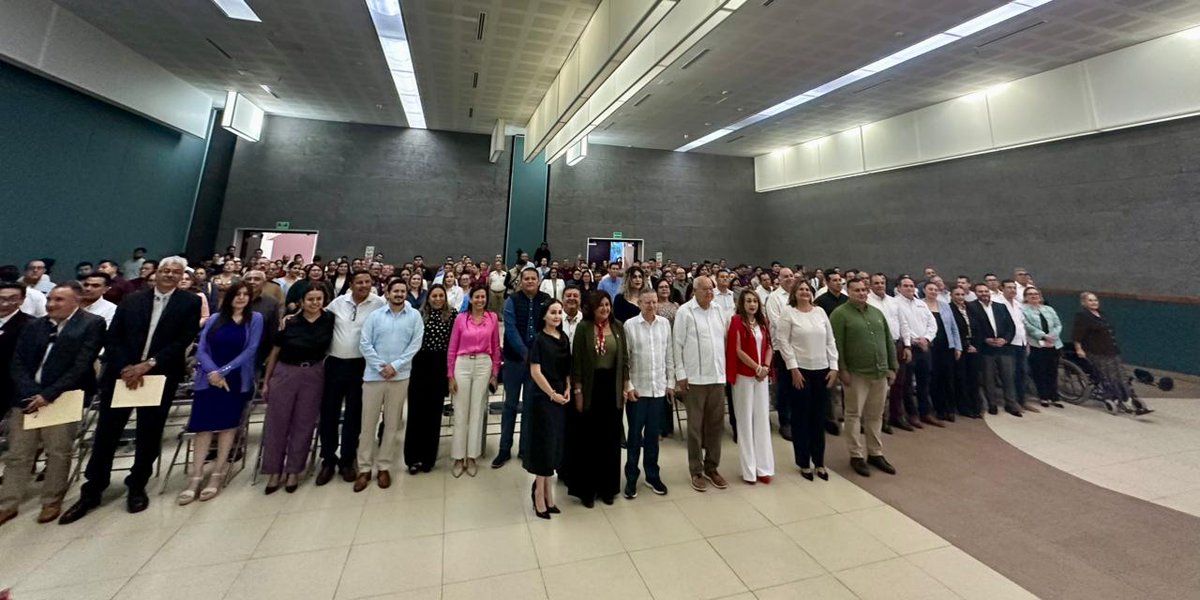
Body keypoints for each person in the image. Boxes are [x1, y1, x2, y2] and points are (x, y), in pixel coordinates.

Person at [61, 256, 202, 524]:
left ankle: (137, 485)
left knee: (149, 433)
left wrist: (148, 365)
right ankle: (92, 490)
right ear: (155, 274)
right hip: (122, 375)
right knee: (107, 433)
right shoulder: (132, 300)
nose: (170, 275)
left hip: (158, 374)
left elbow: (183, 339)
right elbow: (114, 337)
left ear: (183, 276)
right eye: (165, 270)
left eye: (176, 272)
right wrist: (127, 366)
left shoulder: (189, 302)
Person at [0, 283, 105, 526]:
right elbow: (18, 362)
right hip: (26, 398)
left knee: (58, 452)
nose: (51, 304)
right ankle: (8, 503)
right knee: (18, 453)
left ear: (75, 301)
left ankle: (52, 500)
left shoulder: (91, 324)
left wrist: (48, 395)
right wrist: (30, 392)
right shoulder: (35, 325)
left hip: (63, 397)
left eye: (59, 300)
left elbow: (81, 364)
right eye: (50, 299)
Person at [178, 282, 263, 505]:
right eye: (238, 294)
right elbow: (202, 348)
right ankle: (195, 476)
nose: (242, 298)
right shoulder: (215, 319)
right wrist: (213, 372)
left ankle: (217, 473)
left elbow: (251, 349)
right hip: (209, 379)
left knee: (228, 427)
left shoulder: (255, 319)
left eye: (246, 294)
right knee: (203, 428)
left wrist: (224, 371)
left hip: (236, 378)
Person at [259, 286, 334, 494]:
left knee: (304, 422)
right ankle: (274, 470)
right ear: (301, 301)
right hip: (285, 373)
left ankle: (294, 469)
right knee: (277, 422)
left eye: (319, 299)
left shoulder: (329, 320)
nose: (315, 303)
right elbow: (275, 352)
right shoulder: (289, 322)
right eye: (311, 299)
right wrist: (267, 381)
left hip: (313, 373)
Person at [317, 270, 386, 485]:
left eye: (367, 282)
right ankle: (328, 459)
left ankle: (348, 459)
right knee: (329, 412)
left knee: (354, 415)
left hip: (361, 365)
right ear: (352, 284)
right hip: (335, 363)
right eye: (359, 282)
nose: (363, 285)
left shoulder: (378, 304)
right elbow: (318, 317)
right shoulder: (338, 303)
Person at [355, 278, 424, 492]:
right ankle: (364, 468)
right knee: (368, 424)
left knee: (392, 424)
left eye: (403, 291)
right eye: (396, 291)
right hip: (374, 377)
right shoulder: (375, 317)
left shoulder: (414, 316)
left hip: (400, 376)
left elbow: (415, 344)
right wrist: (380, 366)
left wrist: (395, 366)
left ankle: (384, 466)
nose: (399, 294)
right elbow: (365, 343)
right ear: (387, 293)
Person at [565, 293, 629, 507]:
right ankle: (587, 490)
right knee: (589, 439)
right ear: (592, 307)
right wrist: (578, 390)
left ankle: (608, 488)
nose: (605, 308)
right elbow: (578, 361)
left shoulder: (618, 327)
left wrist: (625, 385)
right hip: (591, 386)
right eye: (600, 305)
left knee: (610, 438)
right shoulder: (584, 328)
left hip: (612, 387)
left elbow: (625, 359)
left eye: (607, 305)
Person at [830, 279, 898, 477]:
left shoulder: (876, 313)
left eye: (863, 290)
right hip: (856, 374)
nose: (861, 293)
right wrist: (842, 369)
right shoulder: (840, 314)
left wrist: (892, 366)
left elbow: (888, 340)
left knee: (875, 415)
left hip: (879, 372)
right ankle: (856, 455)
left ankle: (875, 453)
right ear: (848, 292)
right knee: (853, 414)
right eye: (856, 290)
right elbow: (836, 344)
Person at [673, 275, 729, 492]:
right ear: (694, 290)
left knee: (716, 426)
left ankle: (712, 467)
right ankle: (696, 470)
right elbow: (677, 344)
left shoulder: (718, 311)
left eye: (711, 289)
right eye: (705, 289)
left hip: (717, 376)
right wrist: (681, 373)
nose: (709, 292)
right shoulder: (685, 312)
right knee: (695, 428)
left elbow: (723, 341)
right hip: (695, 378)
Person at [777, 280, 838, 481]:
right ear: (794, 293)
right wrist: (793, 368)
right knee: (801, 417)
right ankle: (804, 462)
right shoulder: (788, 313)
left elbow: (830, 340)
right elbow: (783, 342)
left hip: (822, 370)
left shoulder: (820, 312)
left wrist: (834, 366)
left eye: (807, 289)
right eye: (800, 289)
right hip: (800, 371)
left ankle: (819, 461)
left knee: (818, 417)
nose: (804, 292)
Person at [496, 268, 551, 468]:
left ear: (539, 280)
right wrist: (525, 352)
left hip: (536, 363)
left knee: (529, 405)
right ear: (521, 281)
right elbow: (509, 328)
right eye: (526, 278)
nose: (529, 281)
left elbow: (548, 327)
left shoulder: (546, 300)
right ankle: (504, 449)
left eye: (532, 278)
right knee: (510, 404)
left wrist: (536, 352)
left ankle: (525, 449)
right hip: (514, 361)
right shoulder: (512, 300)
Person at [623, 289, 674, 498]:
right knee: (634, 437)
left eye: (654, 302)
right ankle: (631, 478)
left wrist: (670, 382)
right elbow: (626, 360)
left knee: (653, 437)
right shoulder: (630, 326)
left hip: (658, 389)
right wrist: (629, 386)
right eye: (647, 302)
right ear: (640, 304)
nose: (651, 306)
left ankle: (652, 475)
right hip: (638, 391)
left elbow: (669, 355)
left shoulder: (664, 324)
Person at [447, 286, 500, 478]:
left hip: (483, 364)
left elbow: (495, 345)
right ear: (470, 299)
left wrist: (495, 372)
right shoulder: (461, 319)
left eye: (483, 297)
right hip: (462, 363)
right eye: (476, 297)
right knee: (461, 410)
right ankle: (458, 457)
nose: (479, 300)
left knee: (477, 410)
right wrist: (450, 375)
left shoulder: (492, 318)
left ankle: (471, 456)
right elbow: (452, 347)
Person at [525, 299, 570, 518]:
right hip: (543, 398)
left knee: (554, 446)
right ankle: (539, 496)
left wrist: (568, 388)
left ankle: (549, 494)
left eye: (559, 312)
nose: (556, 316)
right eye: (553, 312)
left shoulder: (564, 338)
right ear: (544, 315)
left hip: (561, 396)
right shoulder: (539, 340)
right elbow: (535, 371)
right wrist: (552, 394)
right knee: (543, 447)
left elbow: (568, 369)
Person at [1072, 292, 1153, 416]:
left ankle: (1129, 397)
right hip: (1096, 351)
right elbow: (1077, 335)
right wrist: (1079, 349)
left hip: (1111, 350)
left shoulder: (1102, 314)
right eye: (1090, 300)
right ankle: (1114, 398)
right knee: (1108, 376)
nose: (1094, 302)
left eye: (1095, 300)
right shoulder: (1082, 316)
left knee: (1121, 375)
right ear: (1084, 303)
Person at [404, 284, 455, 474]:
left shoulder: (452, 315)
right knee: (416, 412)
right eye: (434, 295)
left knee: (434, 414)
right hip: (419, 365)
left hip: (440, 365)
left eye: (441, 295)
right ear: (429, 297)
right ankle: (412, 458)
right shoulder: (417, 315)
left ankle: (428, 458)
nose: (438, 299)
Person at [725, 289, 774, 485]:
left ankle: (764, 467)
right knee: (745, 421)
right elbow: (736, 350)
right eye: (748, 301)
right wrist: (756, 367)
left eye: (755, 301)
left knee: (762, 419)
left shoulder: (763, 322)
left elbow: (769, 345)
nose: (752, 304)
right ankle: (749, 469)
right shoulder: (737, 321)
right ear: (742, 304)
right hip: (744, 376)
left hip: (761, 376)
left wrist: (766, 367)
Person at [967, 283, 1021, 417]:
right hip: (986, 348)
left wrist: (1005, 340)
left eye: (986, 291)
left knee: (1008, 377)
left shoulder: (1000, 307)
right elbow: (973, 327)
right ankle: (992, 404)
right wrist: (985, 339)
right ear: (976, 293)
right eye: (980, 291)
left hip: (1004, 348)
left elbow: (1011, 326)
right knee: (988, 378)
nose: (984, 293)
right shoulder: (971, 306)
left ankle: (1011, 404)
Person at [866, 274, 911, 433]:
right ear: (870, 285)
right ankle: (880, 420)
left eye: (882, 282)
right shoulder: (867, 302)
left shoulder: (894, 302)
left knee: (898, 383)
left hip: (896, 345)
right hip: (878, 346)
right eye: (876, 283)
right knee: (880, 386)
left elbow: (903, 323)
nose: (880, 285)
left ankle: (897, 417)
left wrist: (907, 345)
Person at [895, 276, 940, 427]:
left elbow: (932, 324)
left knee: (924, 381)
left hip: (925, 347)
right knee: (907, 383)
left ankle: (925, 412)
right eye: (906, 286)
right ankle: (912, 415)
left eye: (911, 285)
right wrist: (916, 340)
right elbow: (903, 326)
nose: (909, 288)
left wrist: (926, 339)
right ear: (899, 288)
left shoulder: (921, 303)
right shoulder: (895, 304)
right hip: (908, 347)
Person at [764, 267, 796, 440]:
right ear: (779, 278)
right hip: (782, 348)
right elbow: (777, 323)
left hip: (800, 348)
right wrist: (799, 327)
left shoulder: (799, 294)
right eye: (786, 276)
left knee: (799, 385)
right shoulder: (774, 298)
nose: (789, 278)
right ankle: (785, 421)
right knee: (784, 386)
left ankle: (798, 419)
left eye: (791, 276)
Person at [923, 282, 962, 422]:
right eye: (930, 289)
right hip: (930, 348)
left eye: (935, 289)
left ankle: (950, 410)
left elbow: (953, 327)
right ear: (924, 290)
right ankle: (939, 409)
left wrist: (958, 346)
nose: (933, 291)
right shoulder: (920, 305)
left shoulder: (945, 305)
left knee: (948, 379)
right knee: (935, 379)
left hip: (947, 347)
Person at [1022, 287, 1064, 409]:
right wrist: (1043, 336)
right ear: (1025, 297)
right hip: (1037, 344)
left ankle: (1054, 396)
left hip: (1054, 344)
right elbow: (1027, 326)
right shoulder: (1023, 310)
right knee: (1040, 371)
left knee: (1053, 371)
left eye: (1036, 294)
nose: (1033, 296)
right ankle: (1044, 396)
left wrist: (1052, 336)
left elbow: (1058, 324)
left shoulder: (1048, 309)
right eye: (1030, 294)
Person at [998, 279, 1036, 412]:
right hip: (1008, 344)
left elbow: (1022, 324)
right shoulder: (997, 303)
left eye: (1014, 288)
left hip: (1021, 343)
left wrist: (1026, 342)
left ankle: (1022, 400)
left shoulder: (1018, 304)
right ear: (1002, 288)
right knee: (1010, 374)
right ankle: (1011, 402)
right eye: (1009, 287)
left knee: (1022, 372)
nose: (1012, 290)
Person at [0, 283, 34, 415]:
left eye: (12, 298)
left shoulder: (32, 325)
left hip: (9, 386)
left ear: (22, 300)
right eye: (2, 298)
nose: (6, 303)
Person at [949, 286, 982, 418]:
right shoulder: (949, 309)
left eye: (962, 294)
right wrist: (963, 345)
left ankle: (976, 407)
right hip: (959, 348)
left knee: (974, 378)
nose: (960, 297)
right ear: (952, 296)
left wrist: (975, 345)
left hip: (973, 348)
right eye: (957, 294)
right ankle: (964, 407)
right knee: (961, 378)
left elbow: (979, 327)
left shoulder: (971, 308)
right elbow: (951, 329)